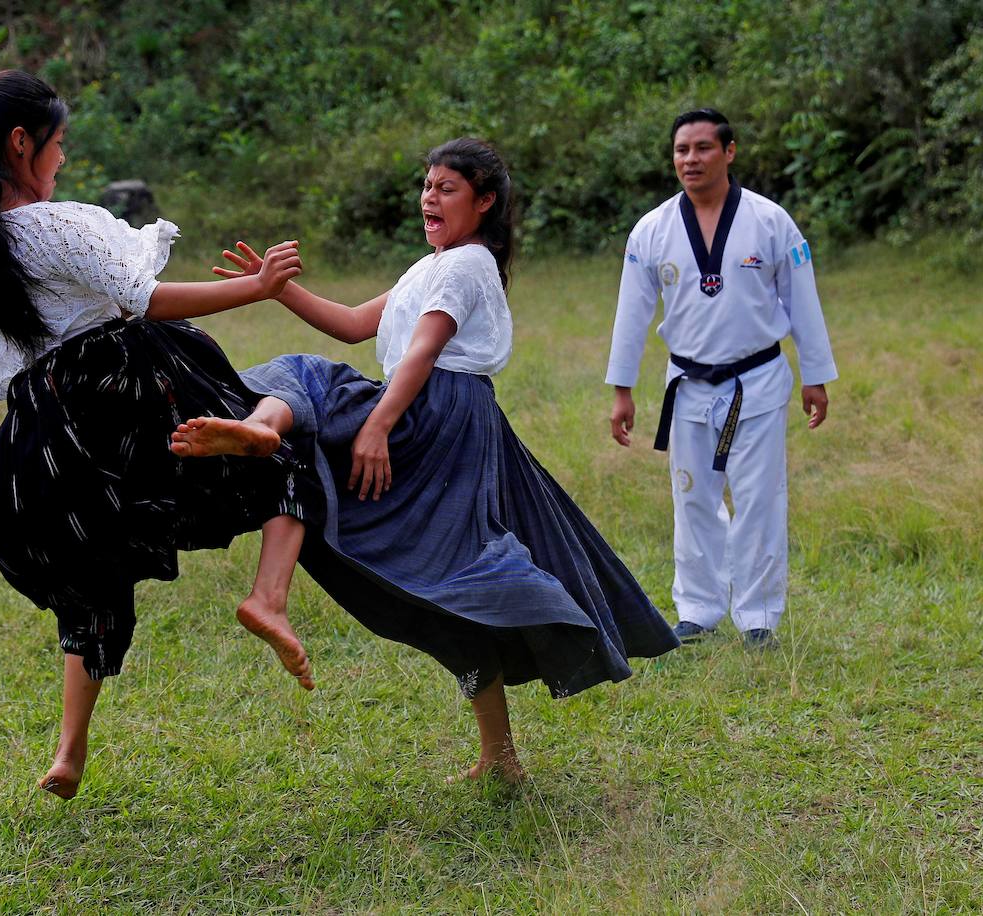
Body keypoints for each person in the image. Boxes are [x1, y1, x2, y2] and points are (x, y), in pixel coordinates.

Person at [172, 138, 680, 783]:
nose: (429, 198)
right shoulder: (432, 264)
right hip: (434, 411)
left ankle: (262, 434)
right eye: (427, 186)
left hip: (437, 412)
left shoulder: (470, 264)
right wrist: (274, 290)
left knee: (311, 385)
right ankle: (500, 755)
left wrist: (379, 425)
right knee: (447, 570)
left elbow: (424, 350)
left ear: (485, 202)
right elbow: (356, 324)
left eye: (447, 189)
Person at [0, 70, 320, 800]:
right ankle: (268, 596)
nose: (62, 160)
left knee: (92, 577)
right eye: (58, 144)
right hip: (127, 386)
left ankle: (70, 751)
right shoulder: (53, 225)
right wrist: (256, 288)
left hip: (47, 427)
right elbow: (146, 299)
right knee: (284, 455)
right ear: (20, 145)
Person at [605, 108, 837, 650]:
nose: (691, 159)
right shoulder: (653, 229)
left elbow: (803, 302)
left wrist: (816, 376)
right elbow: (632, 313)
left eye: (704, 148)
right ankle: (699, 610)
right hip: (686, 384)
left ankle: (758, 618)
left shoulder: (770, 221)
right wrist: (621, 389)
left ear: (729, 152)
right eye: (682, 150)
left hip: (756, 380)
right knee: (692, 499)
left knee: (759, 499)